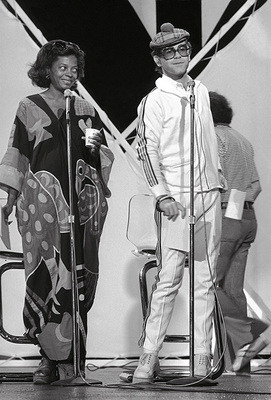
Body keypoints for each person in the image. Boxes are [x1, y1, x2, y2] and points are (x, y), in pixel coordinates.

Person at [0, 40, 114, 384]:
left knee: (73, 282)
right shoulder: (29, 107)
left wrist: (95, 150)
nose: (69, 74)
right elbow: (17, 155)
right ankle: (46, 359)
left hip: (77, 211)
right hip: (39, 210)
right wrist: (8, 200)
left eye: (74, 69)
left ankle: (70, 362)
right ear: (47, 70)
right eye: (62, 68)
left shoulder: (85, 110)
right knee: (42, 277)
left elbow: (102, 158)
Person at [133, 23, 224, 382]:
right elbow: (146, 150)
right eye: (169, 52)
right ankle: (149, 355)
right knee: (169, 278)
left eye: (183, 49)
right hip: (177, 200)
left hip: (207, 196)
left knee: (204, 280)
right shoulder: (154, 100)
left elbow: (207, 140)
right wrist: (163, 195)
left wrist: (217, 182)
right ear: (157, 59)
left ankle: (201, 356)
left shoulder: (199, 90)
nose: (178, 56)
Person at [209, 91, 271, 373]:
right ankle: (241, 359)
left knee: (209, 283)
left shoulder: (214, 138)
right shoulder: (243, 140)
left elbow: (214, 180)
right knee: (234, 289)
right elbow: (256, 186)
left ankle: (252, 332)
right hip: (247, 217)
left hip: (226, 215)